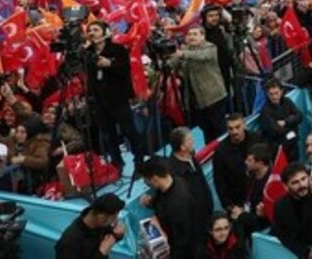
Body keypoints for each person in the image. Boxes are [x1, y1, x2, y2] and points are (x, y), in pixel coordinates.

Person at [85, 20, 146, 167]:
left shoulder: (118, 49)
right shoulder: (87, 53)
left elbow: (125, 70)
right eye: (90, 30)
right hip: (99, 99)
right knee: (108, 134)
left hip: (118, 98)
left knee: (128, 130)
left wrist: (110, 64)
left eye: (96, 30)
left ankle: (140, 161)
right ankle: (117, 163)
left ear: (105, 32)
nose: (92, 33)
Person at [169, 25, 228, 141]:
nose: (192, 37)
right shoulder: (185, 49)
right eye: (189, 34)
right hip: (197, 101)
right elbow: (172, 65)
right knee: (206, 131)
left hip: (214, 97)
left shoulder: (210, 47)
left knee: (219, 129)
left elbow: (202, 56)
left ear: (202, 36)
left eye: (195, 34)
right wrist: (169, 56)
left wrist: (183, 54)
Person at [139, 156, 204, 259]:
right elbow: (162, 200)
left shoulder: (178, 205)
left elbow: (184, 242)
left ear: (155, 179)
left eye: (146, 180)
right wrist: (151, 203)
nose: (145, 183)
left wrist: (160, 228)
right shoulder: (170, 181)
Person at [213, 112, 262, 211]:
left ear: (244, 125)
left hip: (259, 194)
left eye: (237, 127)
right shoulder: (221, 151)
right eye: (230, 128)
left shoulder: (257, 139)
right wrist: (229, 206)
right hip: (238, 201)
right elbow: (219, 181)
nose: (234, 131)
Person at [55, 193, 126, 259]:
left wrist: (117, 235)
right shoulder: (70, 242)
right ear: (101, 217)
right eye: (113, 218)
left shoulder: (100, 224)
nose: (115, 221)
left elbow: (109, 235)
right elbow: (104, 248)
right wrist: (101, 253)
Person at [165, 126, 213, 212]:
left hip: (207, 207)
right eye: (189, 140)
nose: (193, 141)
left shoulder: (191, 156)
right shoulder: (173, 171)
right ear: (182, 147)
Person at [259, 78, 303, 162]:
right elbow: (276, 130)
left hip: (293, 146)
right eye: (271, 94)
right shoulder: (265, 111)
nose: (274, 97)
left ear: (281, 91)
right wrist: (293, 127)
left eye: (276, 93)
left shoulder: (287, 101)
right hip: (278, 150)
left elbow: (300, 116)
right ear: (267, 94)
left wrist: (285, 122)